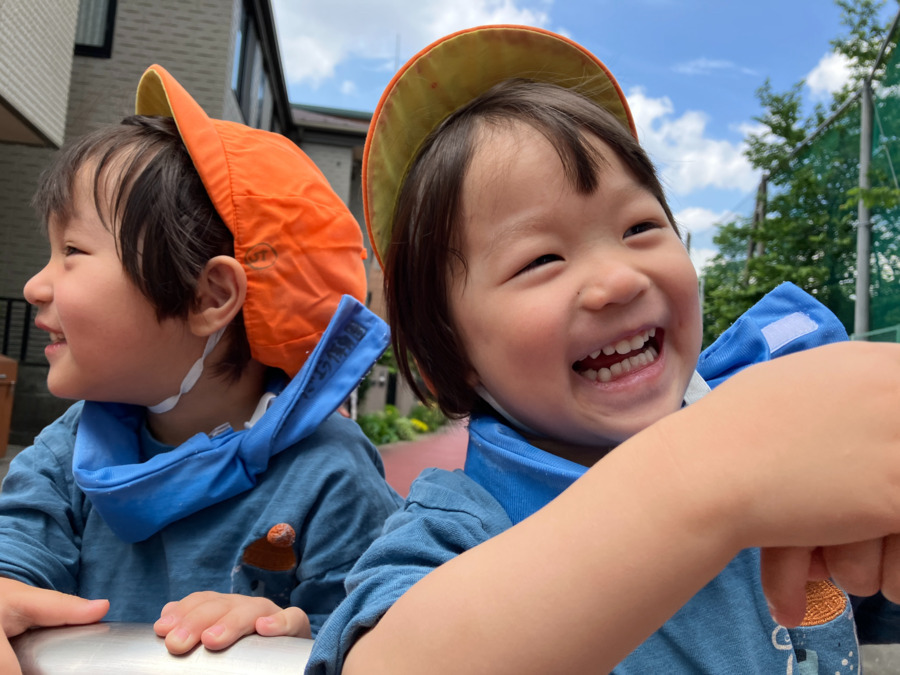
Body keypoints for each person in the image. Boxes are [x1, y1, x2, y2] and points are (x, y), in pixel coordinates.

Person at [292, 26, 900, 674]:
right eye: (540, 259)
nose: (618, 279)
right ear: (455, 352)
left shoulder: (785, 447)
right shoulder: (464, 526)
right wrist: (705, 473)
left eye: (640, 226)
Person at [0, 64, 402, 672]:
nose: (35, 285)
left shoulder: (329, 475)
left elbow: (384, 635)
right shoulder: (69, 452)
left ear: (210, 297)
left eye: (73, 252)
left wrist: (298, 630)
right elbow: (14, 565)